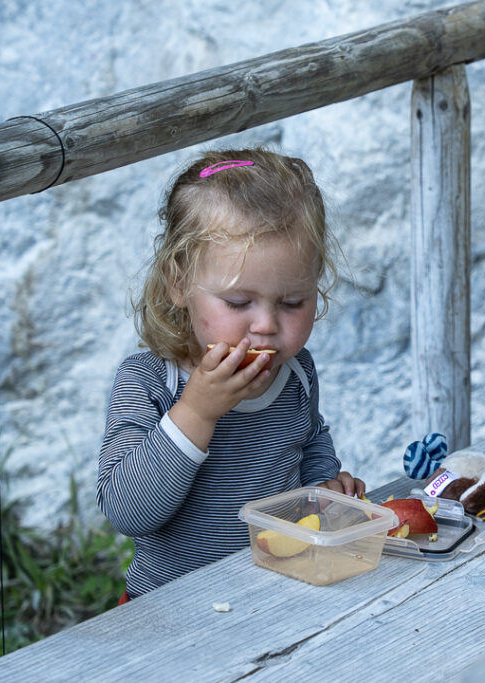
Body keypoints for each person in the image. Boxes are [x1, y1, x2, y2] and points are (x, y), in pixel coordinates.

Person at [97, 147, 365, 601]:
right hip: (171, 609)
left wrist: (323, 484)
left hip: (280, 592)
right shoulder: (150, 382)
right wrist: (197, 412)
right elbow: (125, 511)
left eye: (292, 302)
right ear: (178, 283)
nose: (265, 325)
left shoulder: (296, 370)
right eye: (239, 303)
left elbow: (310, 436)